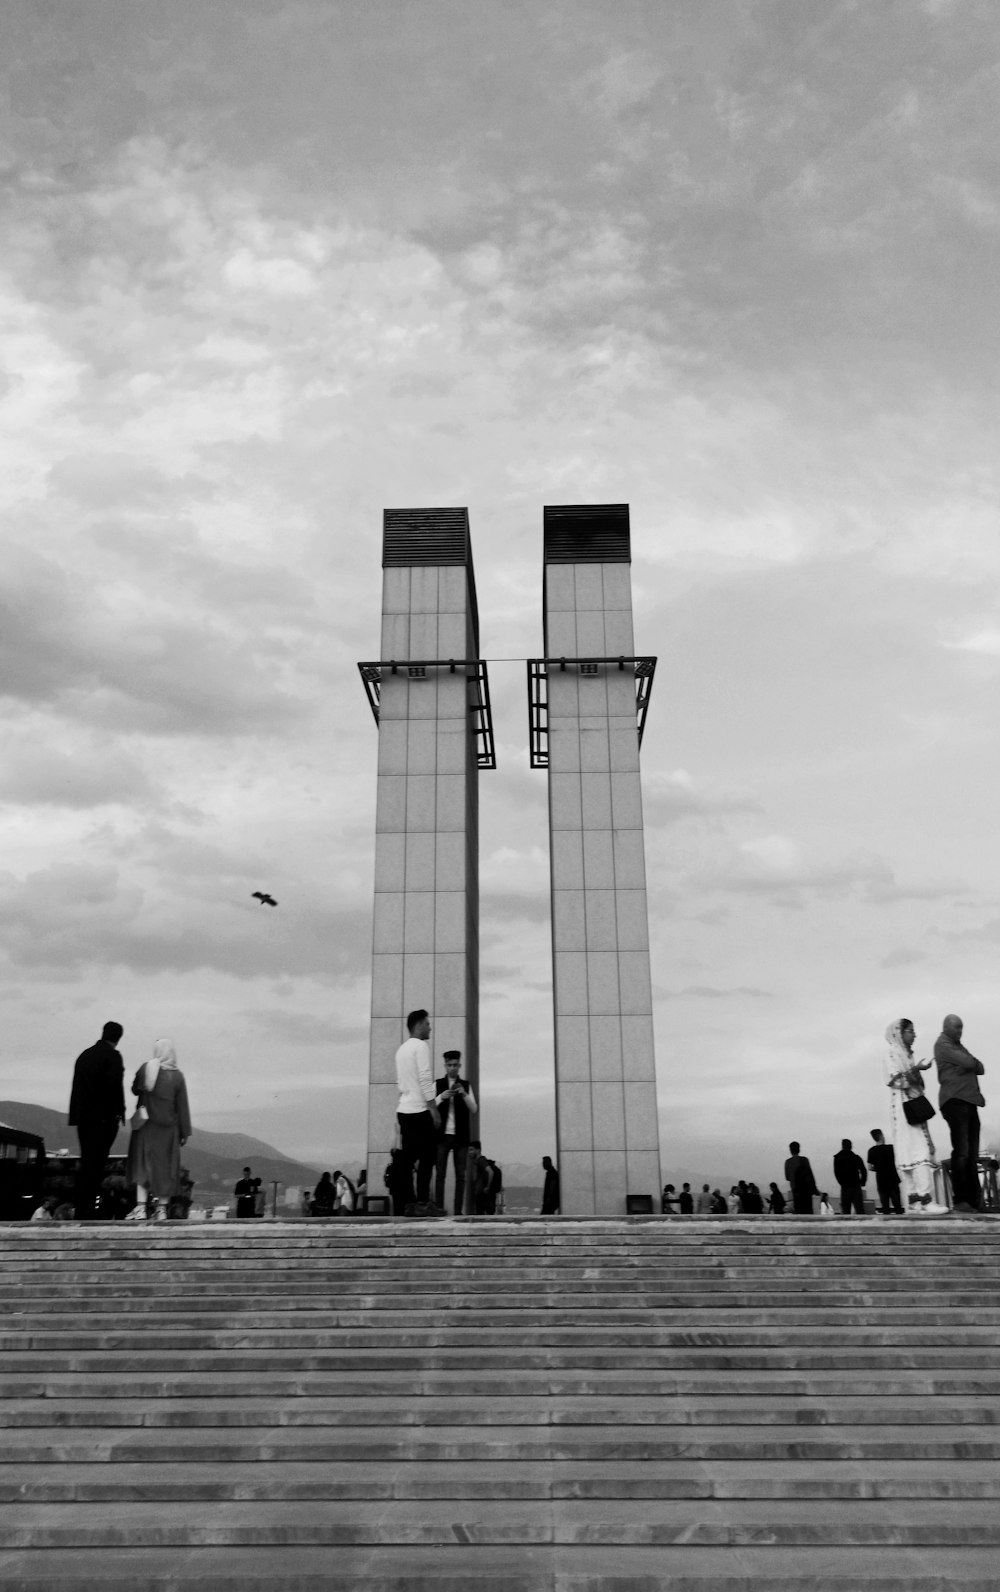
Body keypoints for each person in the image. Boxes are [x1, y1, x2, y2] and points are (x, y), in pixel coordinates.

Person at [124, 1038, 191, 1222]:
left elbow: (135, 1090)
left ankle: (141, 1209)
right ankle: (161, 1210)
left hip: (146, 1127)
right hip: (169, 1131)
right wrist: (184, 1132)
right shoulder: (177, 1076)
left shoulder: (147, 1068)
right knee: (165, 1171)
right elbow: (182, 1106)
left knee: (143, 1167)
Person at [884, 1020, 947, 1211]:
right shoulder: (892, 1052)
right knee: (917, 1150)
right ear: (899, 1033)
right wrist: (916, 1070)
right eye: (911, 1031)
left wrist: (917, 1070)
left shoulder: (906, 1055)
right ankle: (924, 1199)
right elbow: (894, 1080)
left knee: (911, 1151)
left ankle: (915, 1201)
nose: (914, 1035)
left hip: (908, 1108)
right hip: (904, 1108)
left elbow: (912, 1081)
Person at [68, 1021, 127, 1221]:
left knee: (87, 1161)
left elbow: (77, 1087)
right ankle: (91, 1209)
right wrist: (120, 1112)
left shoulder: (84, 1056)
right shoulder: (113, 1056)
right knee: (97, 1163)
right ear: (118, 1038)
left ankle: (80, 1207)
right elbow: (115, 1087)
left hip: (83, 1118)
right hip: (103, 1119)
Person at [935, 1014, 987, 1214]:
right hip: (955, 1101)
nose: (960, 1031)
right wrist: (969, 1064)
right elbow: (970, 1063)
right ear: (946, 1027)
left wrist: (970, 1064)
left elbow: (979, 1067)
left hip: (969, 1101)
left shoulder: (958, 1046)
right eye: (957, 1027)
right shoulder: (943, 1045)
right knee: (962, 1151)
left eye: (961, 1028)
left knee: (971, 1154)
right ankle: (961, 1200)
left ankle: (974, 1202)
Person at [395, 1009, 442, 1216]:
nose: (430, 1027)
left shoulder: (401, 1050)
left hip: (403, 1110)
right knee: (428, 1157)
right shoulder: (421, 1046)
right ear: (419, 1025)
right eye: (427, 1024)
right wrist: (433, 1108)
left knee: (408, 1160)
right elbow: (424, 1077)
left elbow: (402, 1083)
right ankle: (423, 1201)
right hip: (419, 1110)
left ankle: (410, 1203)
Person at [433, 1050, 478, 1215]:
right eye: (449, 1065)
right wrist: (441, 1097)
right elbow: (427, 1107)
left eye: (455, 1065)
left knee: (461, 1176)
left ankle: (458, 1211)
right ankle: (438, 1208)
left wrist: (464, 1094)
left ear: (459, 1066)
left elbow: (474, 1108)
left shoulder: (465, 1085)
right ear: (445, 1065)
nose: (452, 1068)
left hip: (460, 1137)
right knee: (440, 1175)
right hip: (442, 1136)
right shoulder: (437, 1084)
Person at [867, 1129, 903, 1215]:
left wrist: (879, 1168)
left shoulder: (871, 1151)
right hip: (893, 1178)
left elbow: (870, 1167)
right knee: (897, 1204)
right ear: (881, 1136)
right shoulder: (890, 1148)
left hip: (881, 1180)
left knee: (885, 1205)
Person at [833, 1138, 868, 1216]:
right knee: (860, 1210)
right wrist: (863, 1182)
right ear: (851, 1146)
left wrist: (841, 1183)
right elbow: (863, 1170)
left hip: (845, 1187)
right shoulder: (855, 1157)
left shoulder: (837, 1158)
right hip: (856, 1185)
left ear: (842, 1146)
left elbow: (836, 1172)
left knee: (846, 1211)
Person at [784, 1142, 819, 1214]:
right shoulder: (805, 1160)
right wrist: (815, 1189)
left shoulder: (788, 1162)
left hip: (796, 1191)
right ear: (799, 1149)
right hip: (806, 1192)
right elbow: (810, 1176)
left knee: (799, 1213)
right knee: (808, 1212)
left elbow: (787, 1177)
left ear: (790, 1150)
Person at [383, 1151, 410, 1217]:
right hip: (402, 1189)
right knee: (402, 1206)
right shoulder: (404, 1167)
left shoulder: (391, 1167)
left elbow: (387, 1178)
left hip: (394, 1189)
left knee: (396, 1206)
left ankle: (397, 1215)